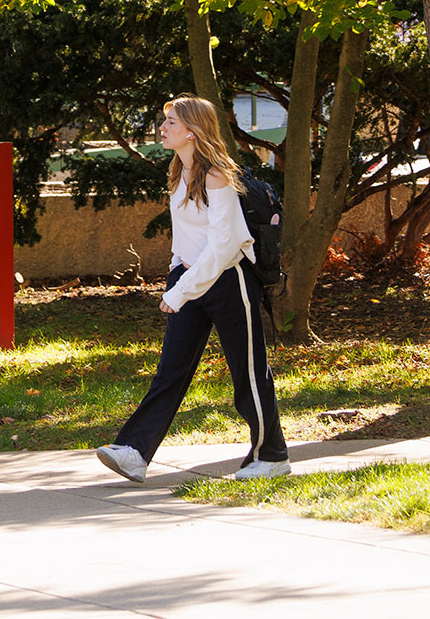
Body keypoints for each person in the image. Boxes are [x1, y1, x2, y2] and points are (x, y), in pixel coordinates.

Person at [93, 96, 291, 483]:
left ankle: (272, 455)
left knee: (248, 373)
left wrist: (179, 291)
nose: (163, 128)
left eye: (170, 122)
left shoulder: (216, 175)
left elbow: (224, 244)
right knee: (171, 370)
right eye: (164, 121)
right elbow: (186, 236)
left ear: (192, 130)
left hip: (228, 281)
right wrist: (175, 276)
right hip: (188, 278)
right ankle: (134, 451)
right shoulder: (179, 172)